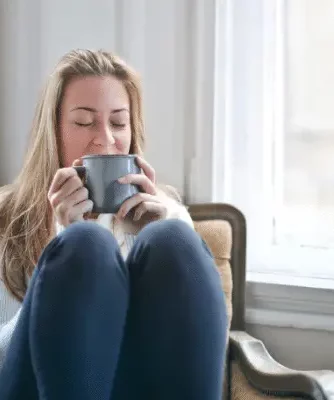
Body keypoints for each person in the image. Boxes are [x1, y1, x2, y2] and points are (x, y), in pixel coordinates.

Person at [0, 49, 228, 399]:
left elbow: (192, 350)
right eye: (83, 122)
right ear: (54, 131)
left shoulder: (166, 215)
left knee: (172, 238)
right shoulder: (7, 216)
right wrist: (63, 238)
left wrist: (146, 234)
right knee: (85, 245)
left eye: (118, 123)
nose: (105, 138)